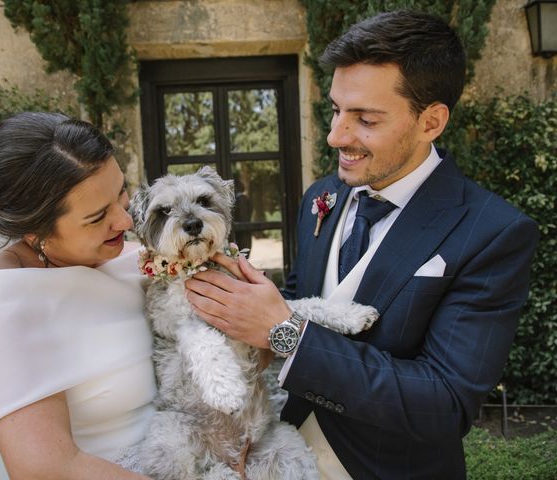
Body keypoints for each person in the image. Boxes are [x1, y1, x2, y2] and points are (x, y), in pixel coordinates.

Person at [185, 10, 539, 479]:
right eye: (335, 110)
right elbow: (297, 299)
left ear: (431, 121)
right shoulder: (321, 198)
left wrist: (284, 332)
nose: (336, 136)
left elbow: (446, 403)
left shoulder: (493, 231)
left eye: (365, 119)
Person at [0, 112, 155, 479]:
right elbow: (50, 469)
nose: (126, 221)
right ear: (35, 231)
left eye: (122, 192)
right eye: (97, 216)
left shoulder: (130, 259)